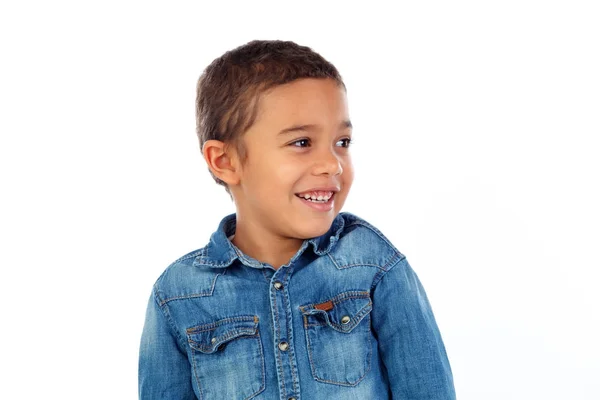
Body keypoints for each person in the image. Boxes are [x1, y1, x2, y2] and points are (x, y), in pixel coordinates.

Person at [138, 39, 455, 400]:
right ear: (225, 161)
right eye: (302, 142)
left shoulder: (373, 264)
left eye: (343, 142)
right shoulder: (177, 295)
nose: (332, 164)